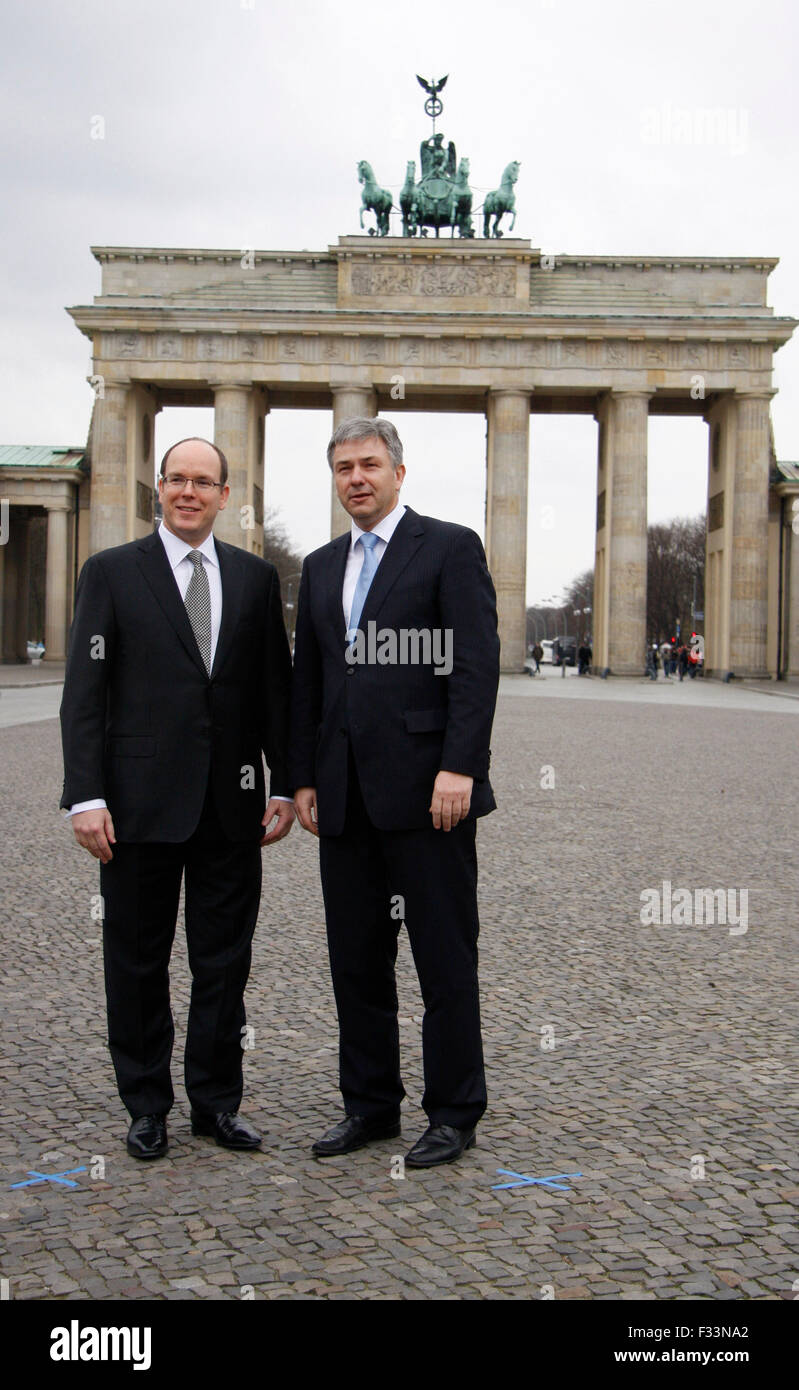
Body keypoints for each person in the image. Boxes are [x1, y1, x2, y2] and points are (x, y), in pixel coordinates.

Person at [60, 438, 294, 1160]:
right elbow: (84, 695)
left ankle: (216, 1103)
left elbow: (274, 695)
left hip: (232, 804)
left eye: (204, 482)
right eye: (176, 480)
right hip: (135, 806)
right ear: (157, 489)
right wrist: (84, 797)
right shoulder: (110, 573)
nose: (189, 492)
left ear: (226, 495)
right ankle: (146, 1105)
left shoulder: (256, 580)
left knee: (223, 963)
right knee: (136, 960)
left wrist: (284, 781)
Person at [290, 417, 499, 1169]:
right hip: (343, 797)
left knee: (443, 959)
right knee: (357, 961)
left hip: (428, 794)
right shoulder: (318, 566)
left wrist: (460, 766)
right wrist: (303, 777)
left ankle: (452, 1111)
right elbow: (309, 683)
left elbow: (474, 666)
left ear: (398, 473)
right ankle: (370, 1105)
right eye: (343, 467)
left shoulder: (447, 547)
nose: (356, 478)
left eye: (369, 464)